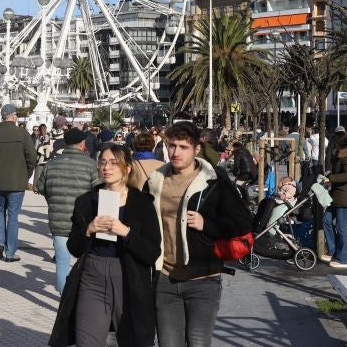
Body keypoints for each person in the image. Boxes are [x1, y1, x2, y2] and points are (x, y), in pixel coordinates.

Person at [145, 122, 252, 347]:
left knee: (197, 343)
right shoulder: (155, 180)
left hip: (203, 279)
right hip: (165, 278)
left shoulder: (214, 181)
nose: (176, 152)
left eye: (184, 147)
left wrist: (207, 225)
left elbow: (243, 222)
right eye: (172, 146)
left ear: (196, 149)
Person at [48, 142, 161, 347]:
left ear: (127, 167)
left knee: (133, 340)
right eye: (103, 162)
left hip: (128, 276)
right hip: (92, 273)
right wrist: (89, 229)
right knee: (87, 341)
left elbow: (152, 252)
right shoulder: (86, 201)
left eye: (113, 163)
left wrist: (125, 232)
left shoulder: (142, 203)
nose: (107, 167)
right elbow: (74, 247)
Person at [34, 127, 99, 295]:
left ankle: (64, 299)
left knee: (62, 261)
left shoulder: (51, 164)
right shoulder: (91, 165)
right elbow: (98, 191)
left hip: (58, 219)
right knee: (84, 261)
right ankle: (83, 297)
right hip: (84, 222)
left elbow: (40, 187)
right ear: (83, 143)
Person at [0, 103, 36, 262]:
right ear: (13, 117)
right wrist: (26, 173)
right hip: (17, 182)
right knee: (12, 215)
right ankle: (10, 253)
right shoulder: (22, 133)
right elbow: (32, 157)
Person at [321, 131, 347, 269]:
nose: (333, 143)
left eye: (334, 141)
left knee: (341, 227)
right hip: (336, 195)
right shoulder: (338, 154)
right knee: (326, 220)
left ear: (339, 142)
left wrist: (331, 178)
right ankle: (333, 251)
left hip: (344, 196)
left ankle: (344, 258)